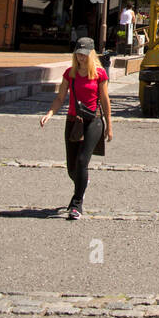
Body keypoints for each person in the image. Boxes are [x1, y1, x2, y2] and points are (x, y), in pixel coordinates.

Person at [40, 38, 112, 220]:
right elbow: (60, 98)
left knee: (82, 161)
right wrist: (49, 113)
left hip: (93, 121)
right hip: (73, 121)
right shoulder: (69, 74)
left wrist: (109, 126)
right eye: (78, 53)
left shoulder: (99, 74)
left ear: (91, 53)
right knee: (72, 168)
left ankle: (76, 204)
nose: (81, 57)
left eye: (84, 53)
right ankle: (83, 182)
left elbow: (105, 100)